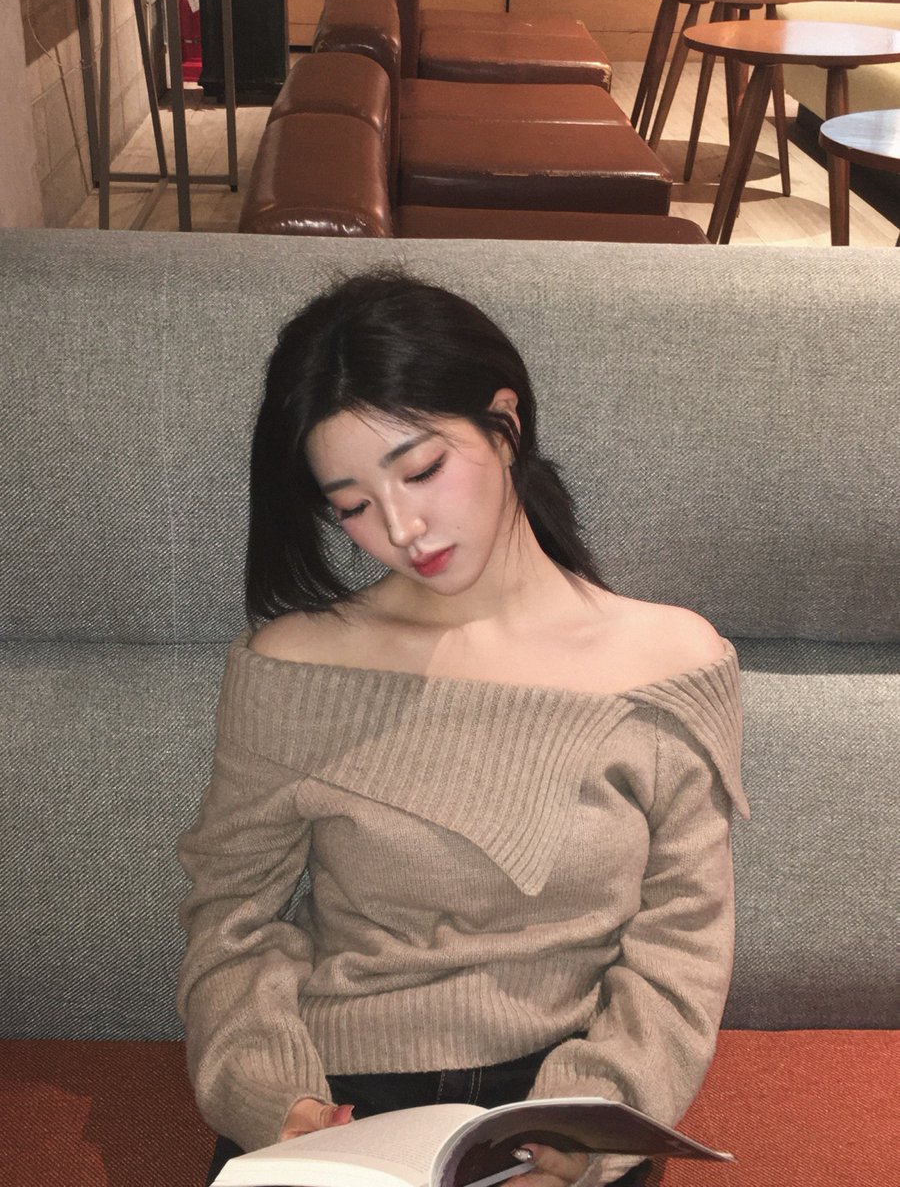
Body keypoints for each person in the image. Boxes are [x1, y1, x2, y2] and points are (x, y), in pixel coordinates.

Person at [177, 272, 748, 1187]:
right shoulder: (295, 665)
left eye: (421, 469)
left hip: (564, 1096)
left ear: (505, 423)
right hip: (338, 1099)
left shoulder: (668, 661)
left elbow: (682, 940)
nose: (402, 528)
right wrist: (275, 1101)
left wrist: (586, 1132)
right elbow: (232, 920)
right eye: (353, 504)